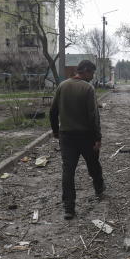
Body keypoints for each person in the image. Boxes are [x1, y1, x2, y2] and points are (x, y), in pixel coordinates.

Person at [49, 60, 105, 219]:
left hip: (66, 136)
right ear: (86, 71)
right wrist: (97, 137)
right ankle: (99, 189)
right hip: (86, 136)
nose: (92, 77)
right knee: (93, 164)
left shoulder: (62, 86)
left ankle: (69, 208)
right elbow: (93, 116)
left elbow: (53, 111)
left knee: (68, 171)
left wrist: (55, 131)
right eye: (92, 73)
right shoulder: (88, 88)